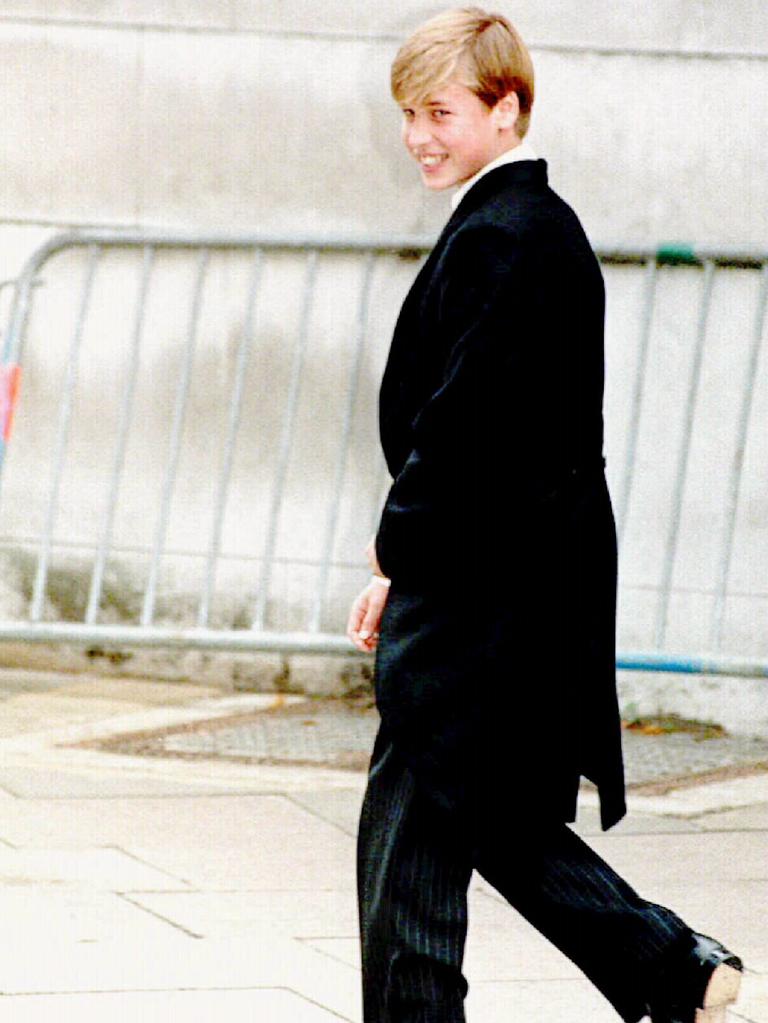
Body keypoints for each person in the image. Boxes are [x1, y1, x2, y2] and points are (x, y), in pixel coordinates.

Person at [346, 8, 743, 1023]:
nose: (418, 135)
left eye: (440, 110)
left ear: (507, 108)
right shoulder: (515, 226)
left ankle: (669, 970)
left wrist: (398, 553)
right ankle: (675, 971)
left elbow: (466, 432)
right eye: (409, 113)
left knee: (418, 840)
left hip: (486, 593)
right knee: (471, 818)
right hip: (496, 580)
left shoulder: (510, 235)